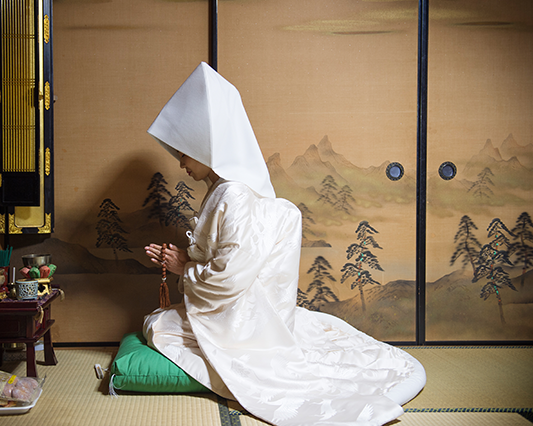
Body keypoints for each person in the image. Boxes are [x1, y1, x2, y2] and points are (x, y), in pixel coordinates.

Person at [143, 62, 426, 426]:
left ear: (205, 146)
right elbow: (225, 256)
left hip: (240, 319)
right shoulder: (224, 189)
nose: (180, 162)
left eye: (183, 152)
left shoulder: (233, 194)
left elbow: (231, 276)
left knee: (159, 327)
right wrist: (183, 258)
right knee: (160, 324)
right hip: (236, 308)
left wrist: (185, 268)